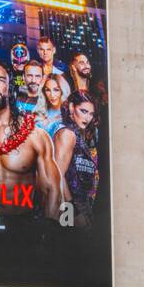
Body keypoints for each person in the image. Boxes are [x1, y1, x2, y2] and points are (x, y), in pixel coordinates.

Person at [0, 61, 60, 218]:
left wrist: (47, 233)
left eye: (1, 80)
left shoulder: (35, 135)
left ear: (9, 87)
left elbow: (51, 189)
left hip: (22, 228)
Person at [55, 91, 99, 227]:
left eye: (91, 114)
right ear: (72, 107)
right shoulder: (67, 134)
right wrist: (73, 212)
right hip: (68, 211)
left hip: (83, 209)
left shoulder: (79, 135)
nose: (87, 118)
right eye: (84, 111)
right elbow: (57, 176)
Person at [35, 73, 67, 138]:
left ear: (62, 91)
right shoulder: (41, 111)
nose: (52, 95)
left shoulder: (68, 113)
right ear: (44, 92)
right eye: (48, 90)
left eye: (56, 90)